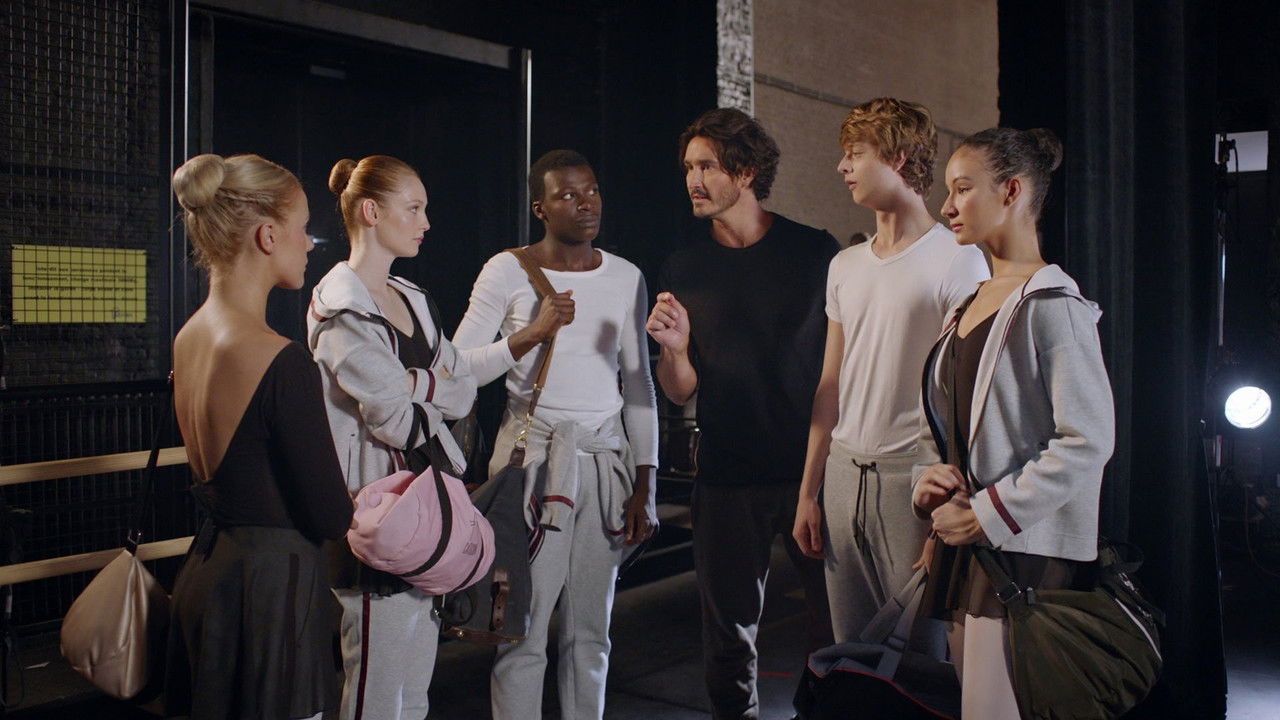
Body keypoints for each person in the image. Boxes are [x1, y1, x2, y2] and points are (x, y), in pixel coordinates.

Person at [913, 127, 1113, 719]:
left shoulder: (1054, 304)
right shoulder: (966, 304)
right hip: (969, 549)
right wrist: (931, 479)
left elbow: (1088, 439)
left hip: (1023, 553)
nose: (947, 206)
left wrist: (988, 512)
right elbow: (950, 424)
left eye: (963, 188)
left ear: (1012, 190)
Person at [452, 149, 658, 720]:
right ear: (540, 208)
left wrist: (646, 481)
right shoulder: (507, 270)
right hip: (533, 460)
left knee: (592, 632)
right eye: (568, 195)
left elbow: (638, 383)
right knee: (520, 626)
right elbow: (457, 366)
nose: (586, 203)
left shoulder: (626, 276)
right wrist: (530, 335)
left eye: (591, 190)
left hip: (604, 460)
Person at [647, 108, 837, 720]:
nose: (692, 180)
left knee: (832, 625)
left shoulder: (815, 253)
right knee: (728, 634)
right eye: (688, 167)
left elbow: (841, 371)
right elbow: (680, 391)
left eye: (707, 166)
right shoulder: (683, 266)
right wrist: (674, 350)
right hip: (726, 476)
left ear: (747, 171)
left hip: (811, 474)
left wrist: (821, 478)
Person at [791, 97, 990, 644]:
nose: (843, 166)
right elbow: (830, 385)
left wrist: (950, 508)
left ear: (898, 157)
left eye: (855, 154)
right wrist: (809, 491)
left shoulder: (958, 259)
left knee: (919, 656)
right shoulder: (844, 264)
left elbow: (967, 399)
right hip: (842, 475)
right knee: (851, 655)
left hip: (914, 480)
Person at [165, 153, 354, 720]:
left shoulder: (188, 338)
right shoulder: (281, 359)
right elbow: (329, 515)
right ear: (268, 236)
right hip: (272, 597)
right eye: (303, 228)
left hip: (207, 580)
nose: (310, 244)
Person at [307, 155, 477, 720]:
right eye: (414, 208)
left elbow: (465, 391)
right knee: (376, 692)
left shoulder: (415, 298)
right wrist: (432, 391)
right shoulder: (340, 308)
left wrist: (411, 383)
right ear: (371, 212)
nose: (426, 222)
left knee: (415, 691)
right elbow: (395, 422)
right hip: (374, 513)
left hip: (428, 507)